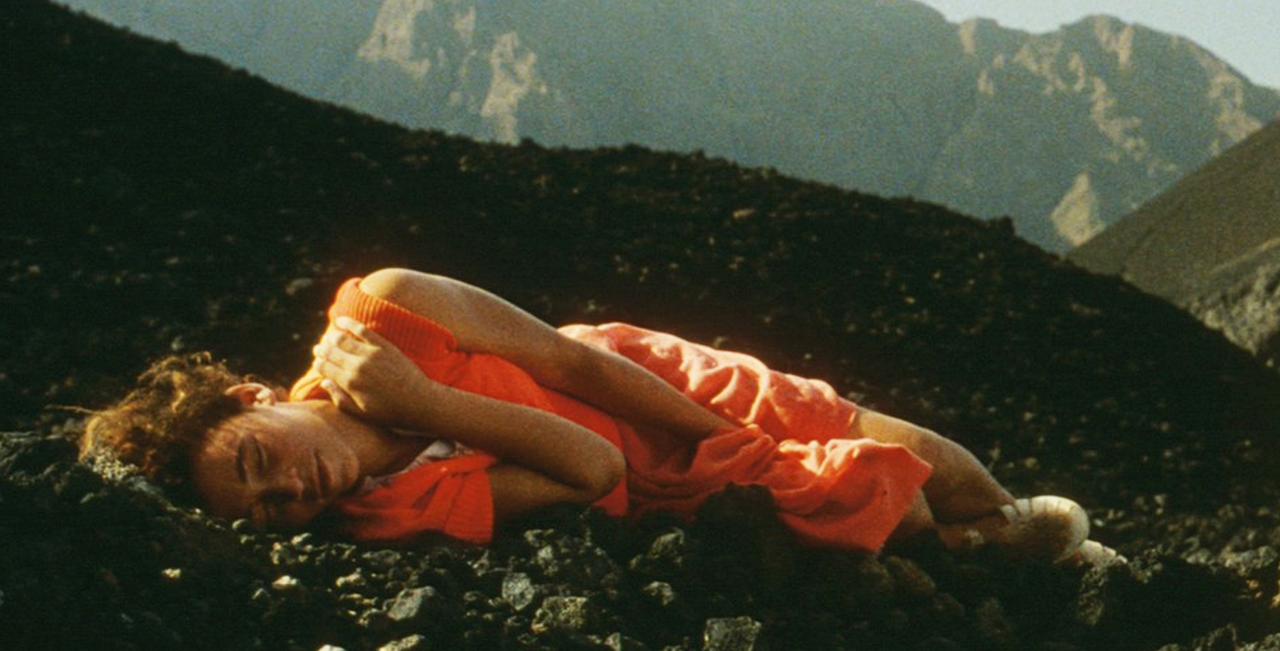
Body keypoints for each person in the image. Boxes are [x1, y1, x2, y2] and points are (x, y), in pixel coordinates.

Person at [79, 268, 1115, 563]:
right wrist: (423, 406)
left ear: (251, 397)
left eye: (255, 460)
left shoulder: (387, 309)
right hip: (644, 475)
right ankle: (992, 554)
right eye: (267, 512)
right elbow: (593, 473)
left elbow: (568, 362)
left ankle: (1018, 529)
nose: (286, 491)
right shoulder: (384, 515)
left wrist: (728, 433)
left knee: (932, 461)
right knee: (906, 517)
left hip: (639, 384)